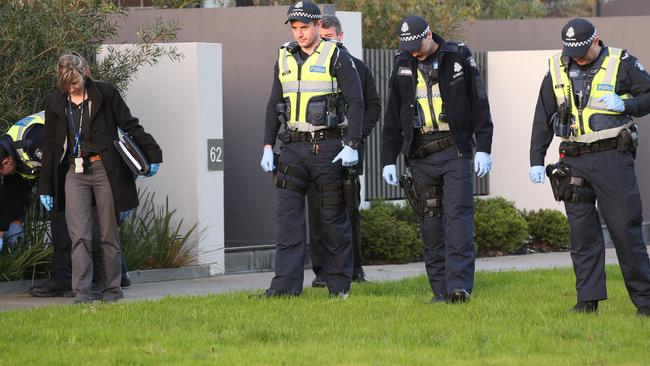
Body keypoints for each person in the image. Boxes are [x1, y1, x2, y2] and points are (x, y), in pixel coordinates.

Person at [529, 18, 650, 316]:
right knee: (582, 233)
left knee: (625, 231)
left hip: (612, 158)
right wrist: (535, 159)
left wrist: (627, 105)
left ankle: (646, 303)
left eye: (582, 49)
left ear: (597, 40)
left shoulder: (622, 62)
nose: (577, 56)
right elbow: (542, 115)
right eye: (572, 51)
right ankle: (587, 300)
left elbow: (648, 96)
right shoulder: (558, 68)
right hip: (573, 160)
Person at [381, 15, 494, 304]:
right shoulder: (402, 62)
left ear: (429, 34)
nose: (414, 51)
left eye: (417, 44)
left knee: (458, 220)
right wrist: (388, 159)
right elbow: (393, 114)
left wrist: (483, 147)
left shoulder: (457, 56)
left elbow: (479, 103)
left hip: (454, 151)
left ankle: (459, 288)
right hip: (420, 155)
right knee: (430, 224)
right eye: (408, 46)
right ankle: (440, 291)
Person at [259, 1, 364, 298]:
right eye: (295, 28)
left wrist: (352, 143)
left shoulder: (337, 57)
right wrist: (268, 145)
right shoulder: (284, 56)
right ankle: (284, 289)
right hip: (292, 148)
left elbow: (356, 102)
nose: (299, 33)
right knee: (287, 222)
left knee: (332, 221)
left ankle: (339, 288)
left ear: (318, 25)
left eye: (304, 27)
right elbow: (273, 104)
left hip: (328, 148)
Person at [38, 53, 162, 304]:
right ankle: (81, 294)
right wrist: (46, 187)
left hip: (104, 169)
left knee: (107, 233)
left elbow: (129, 124)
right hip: (75, 172)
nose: (72, 90)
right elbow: (50, 147)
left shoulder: (106, 93)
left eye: (75, 84)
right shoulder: (54, 103)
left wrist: (153, 153)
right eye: (67, 87)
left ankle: (112, 290)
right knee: (80, 235)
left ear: (85, 73)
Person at [308, 14, 381, 287]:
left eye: (328, 37)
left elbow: (372, 105)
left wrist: (356, 137)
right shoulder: (309, 68)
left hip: (347, 153)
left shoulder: (358, 68)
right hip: (316, 153)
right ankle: (321, 272)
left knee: (349, 211)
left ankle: (354, 269)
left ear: (340, 36)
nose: (324, 42)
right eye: (321, 37)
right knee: (317, 214)